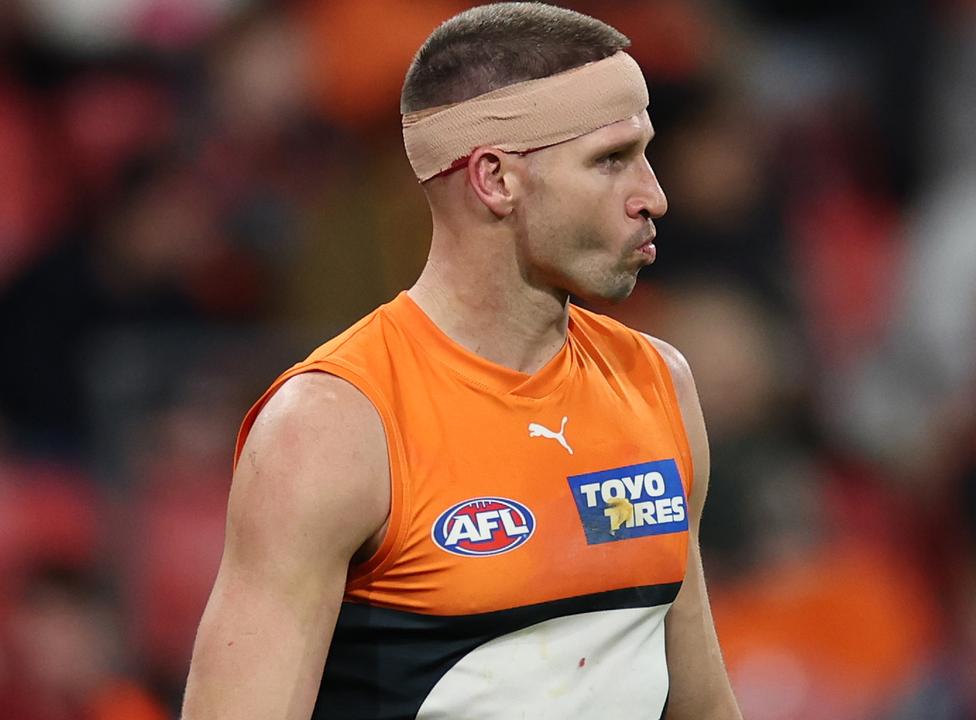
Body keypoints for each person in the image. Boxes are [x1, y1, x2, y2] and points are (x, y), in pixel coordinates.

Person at [182, 3, 744, 718]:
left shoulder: (658, 384)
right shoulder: (333, 428)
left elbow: (700, 705)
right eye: (611, 161)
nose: (653, 196)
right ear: (495, 180)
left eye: (646, 153)